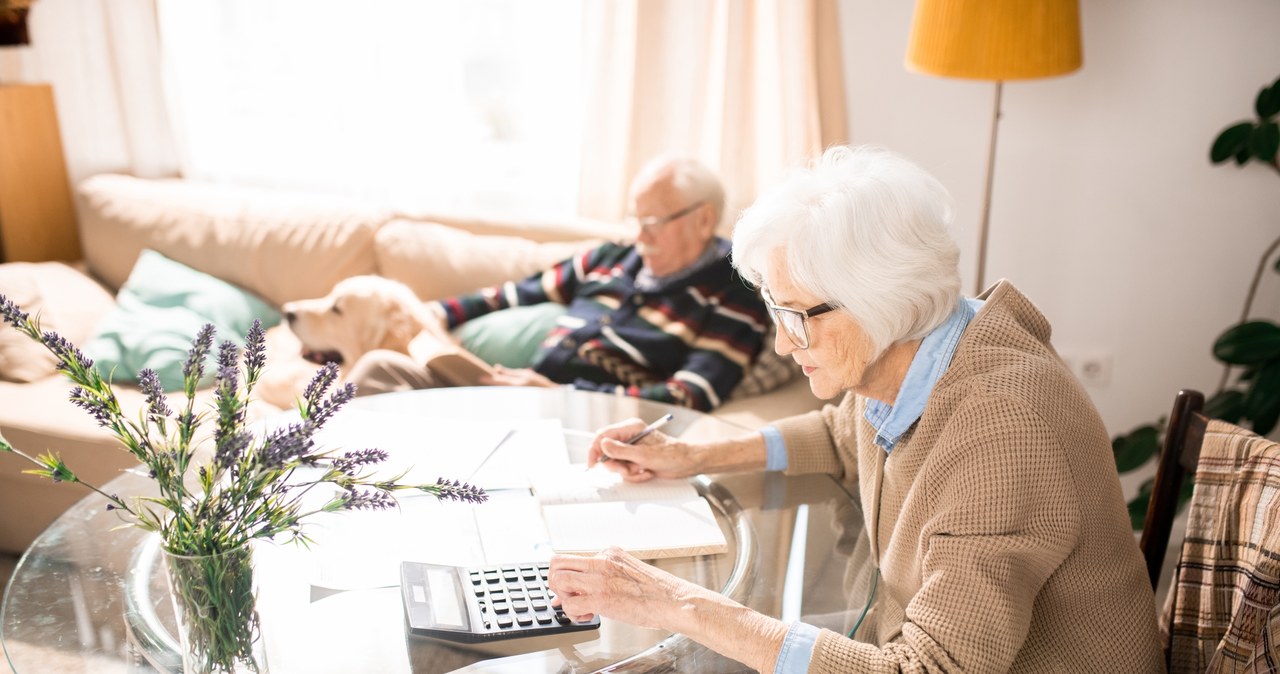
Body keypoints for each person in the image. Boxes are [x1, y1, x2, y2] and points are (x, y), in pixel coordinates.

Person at [547, 145, 1165, 672]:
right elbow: (845, 432)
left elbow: (929, 668)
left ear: (878, 299)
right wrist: (689, 455)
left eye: (796, 316)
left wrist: (676, 604)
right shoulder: (926, 350)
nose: (786, 343)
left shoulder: (1001, 427)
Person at [347, 156, 769, 412]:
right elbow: (511, 295)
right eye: (636, 220)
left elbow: (691, 395)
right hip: (514, 394)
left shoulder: (733, 294)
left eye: (654, 223)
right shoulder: (610, 258)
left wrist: (564, 393)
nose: (641, 237)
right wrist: (427, 316)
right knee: (377, 370)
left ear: (704, 219)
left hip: (585, 420)